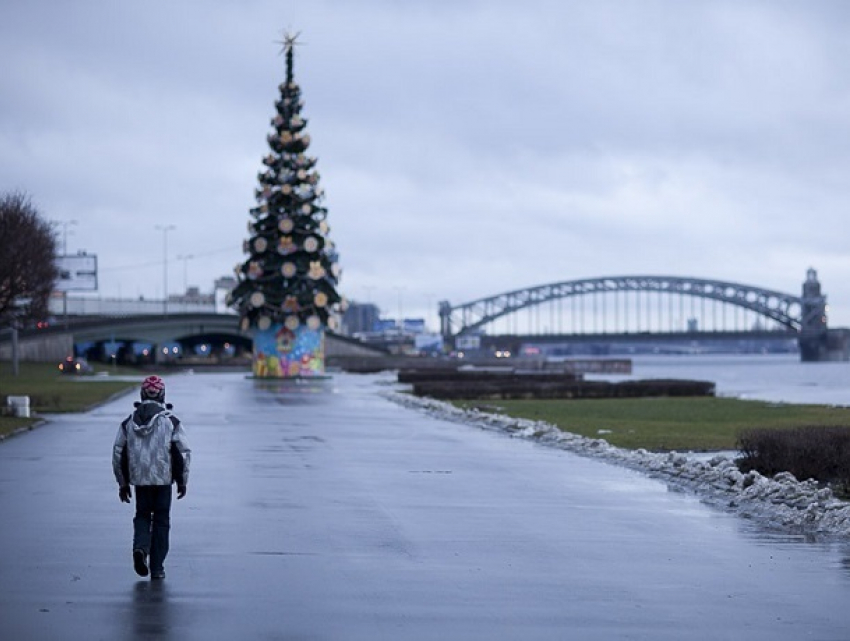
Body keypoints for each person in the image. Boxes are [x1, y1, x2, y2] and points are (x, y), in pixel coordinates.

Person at [112, 375, 191, 580]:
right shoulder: (171, 422)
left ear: (142, 394)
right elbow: (182, 452)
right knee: (162, 522)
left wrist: (123, 483)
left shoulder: (129, 423)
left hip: (140, 481)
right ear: (162, 395)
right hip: (163, 480)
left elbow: (118, 452)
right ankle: (157, 568)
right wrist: (182, 480)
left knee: (142, 515)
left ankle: (140, 548)